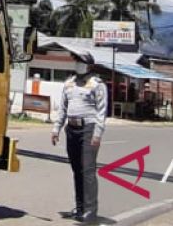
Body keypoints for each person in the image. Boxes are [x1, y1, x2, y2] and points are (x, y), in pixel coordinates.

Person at [52, 52, 107, 222]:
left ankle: (90, 211)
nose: (77, 64)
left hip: (88, 129)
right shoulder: (69, 83)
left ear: (89, 65)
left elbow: (101, 112)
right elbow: (62, 108)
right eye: (76, 61)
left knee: (88, 170)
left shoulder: (97, 85)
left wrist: (97, 135)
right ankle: (80, 208)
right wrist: (56, 129)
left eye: (81, 61)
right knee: (77, 170)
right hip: (72, 129)